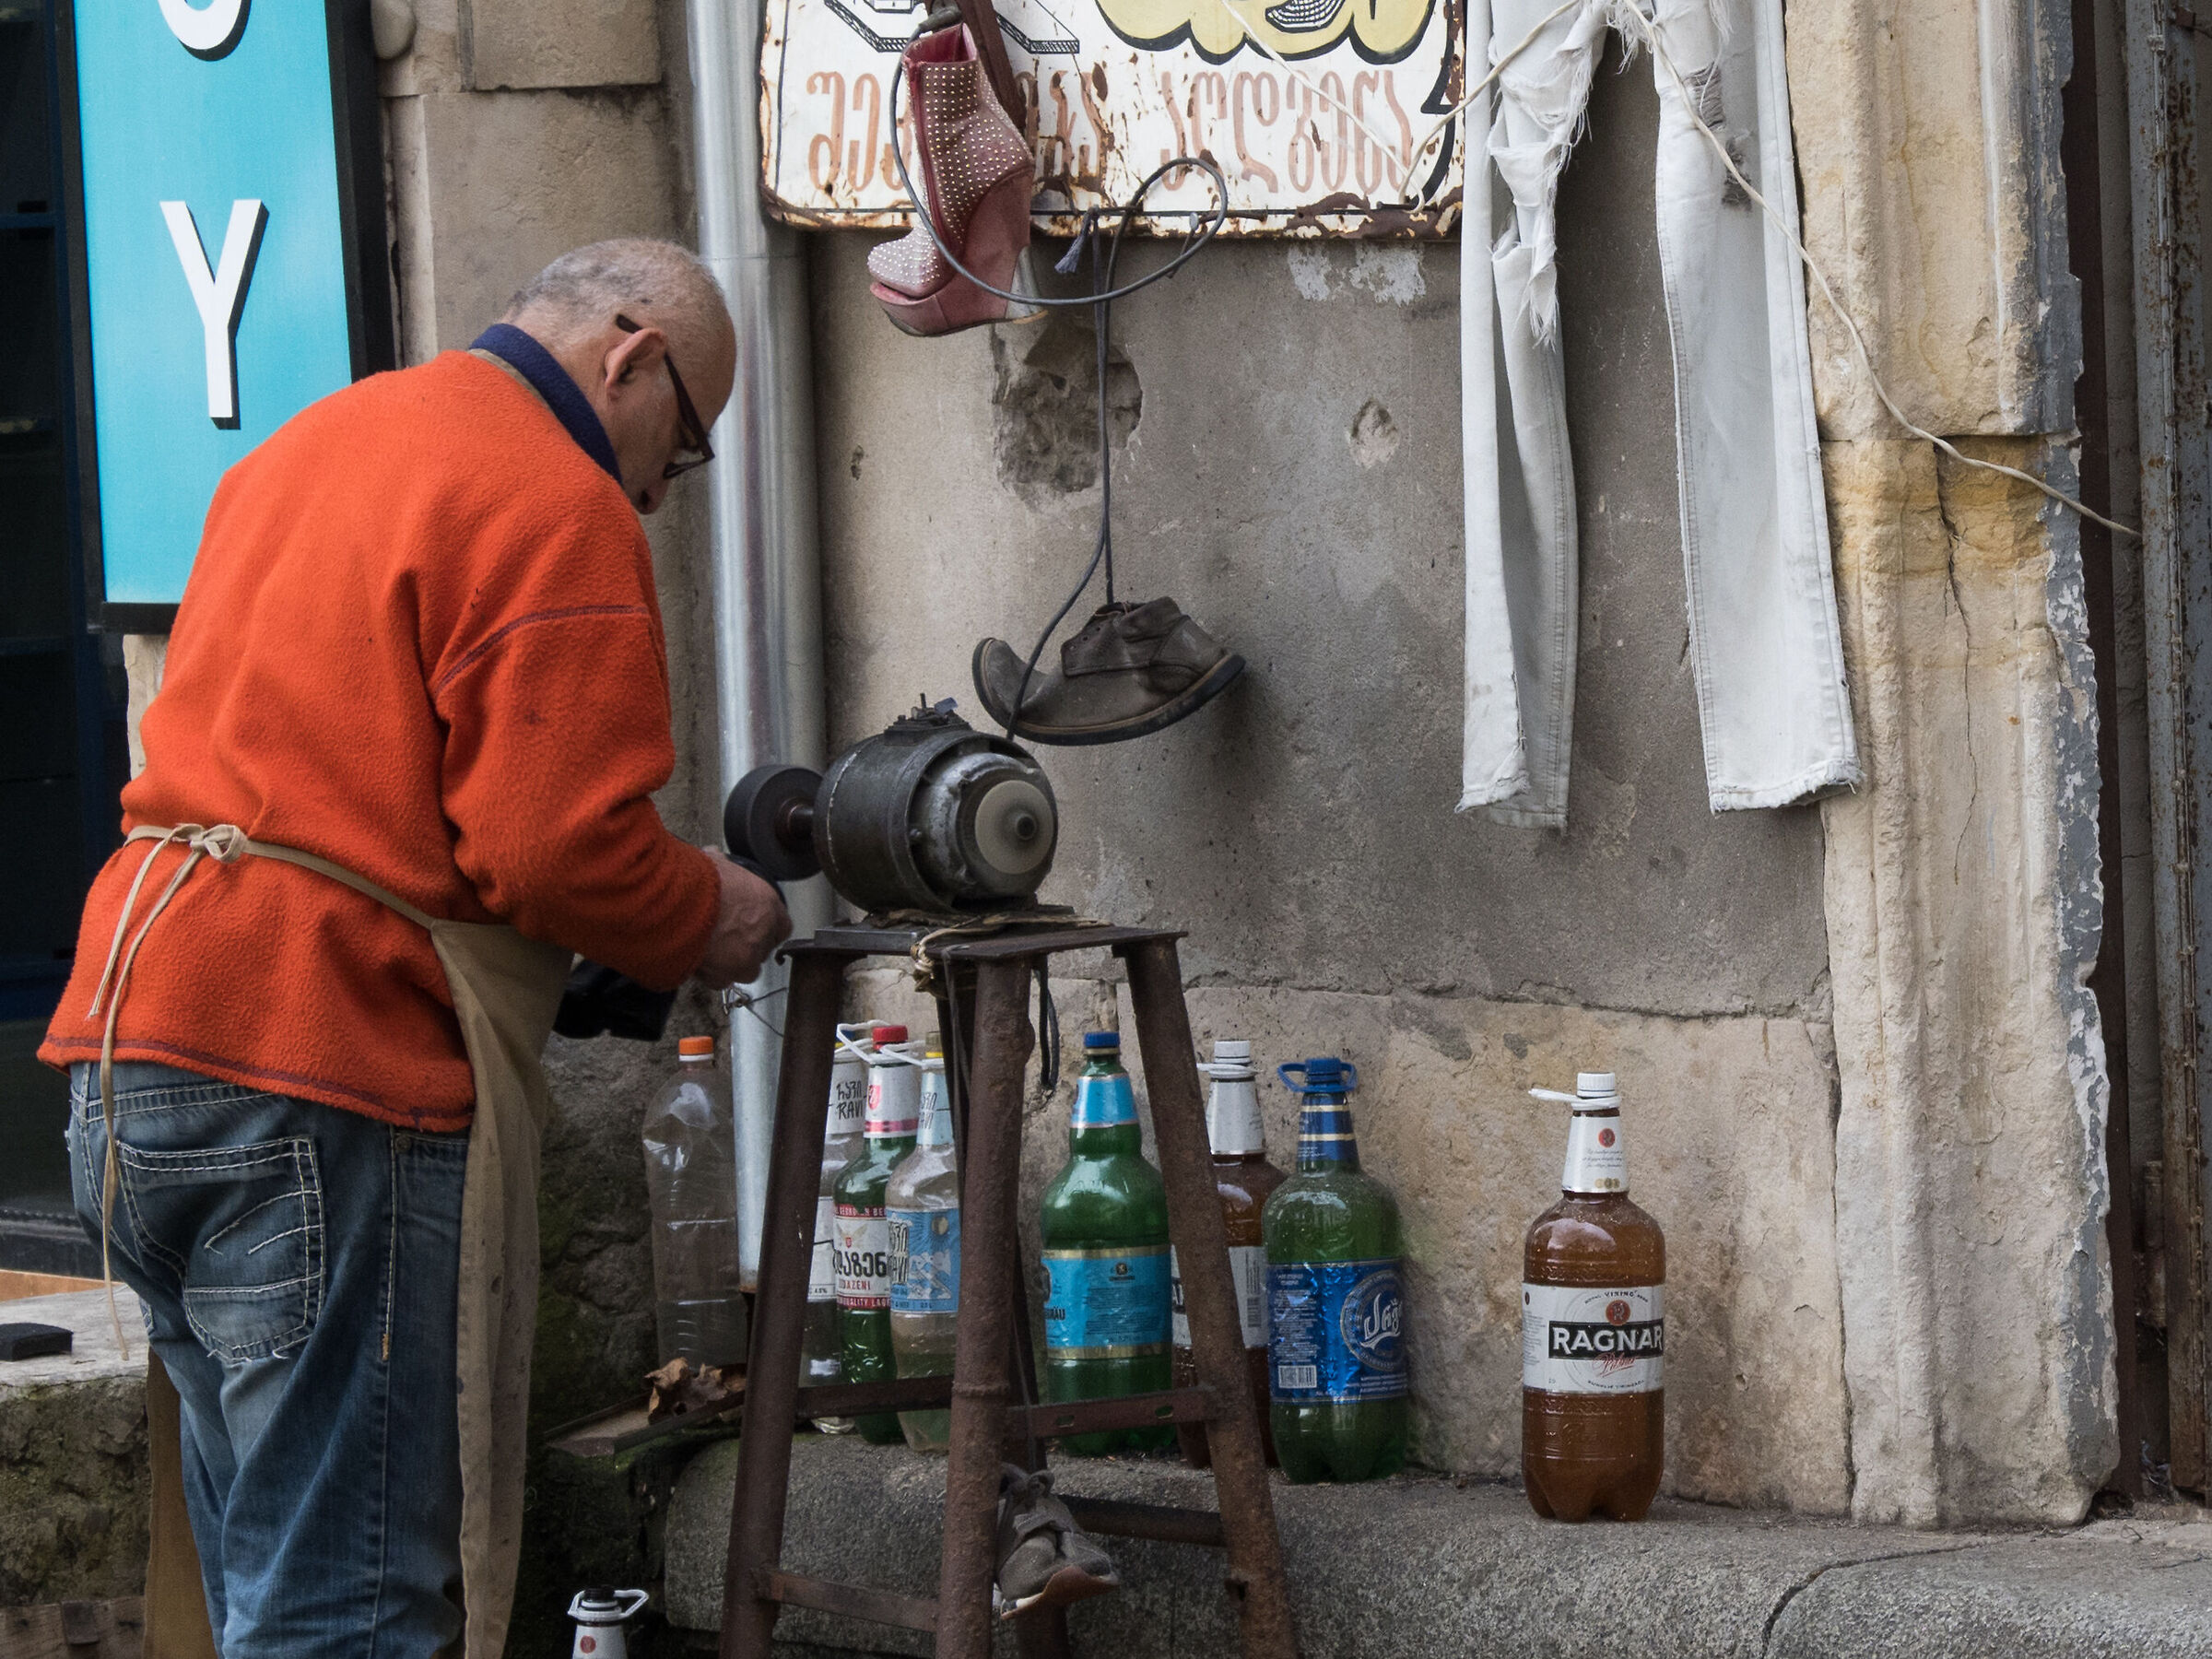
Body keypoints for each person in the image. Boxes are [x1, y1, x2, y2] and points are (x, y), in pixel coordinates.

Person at [38, 239, 790, 1659]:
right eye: (680, 447)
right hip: (315, 1058)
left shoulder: (312, 442)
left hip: (132, 1044)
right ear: (631, 357)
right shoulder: (556, 497)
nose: (654, 491)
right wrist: (711, 909)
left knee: (268, 1578)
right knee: (348, 1608)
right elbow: (553, 847)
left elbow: (354, 785)